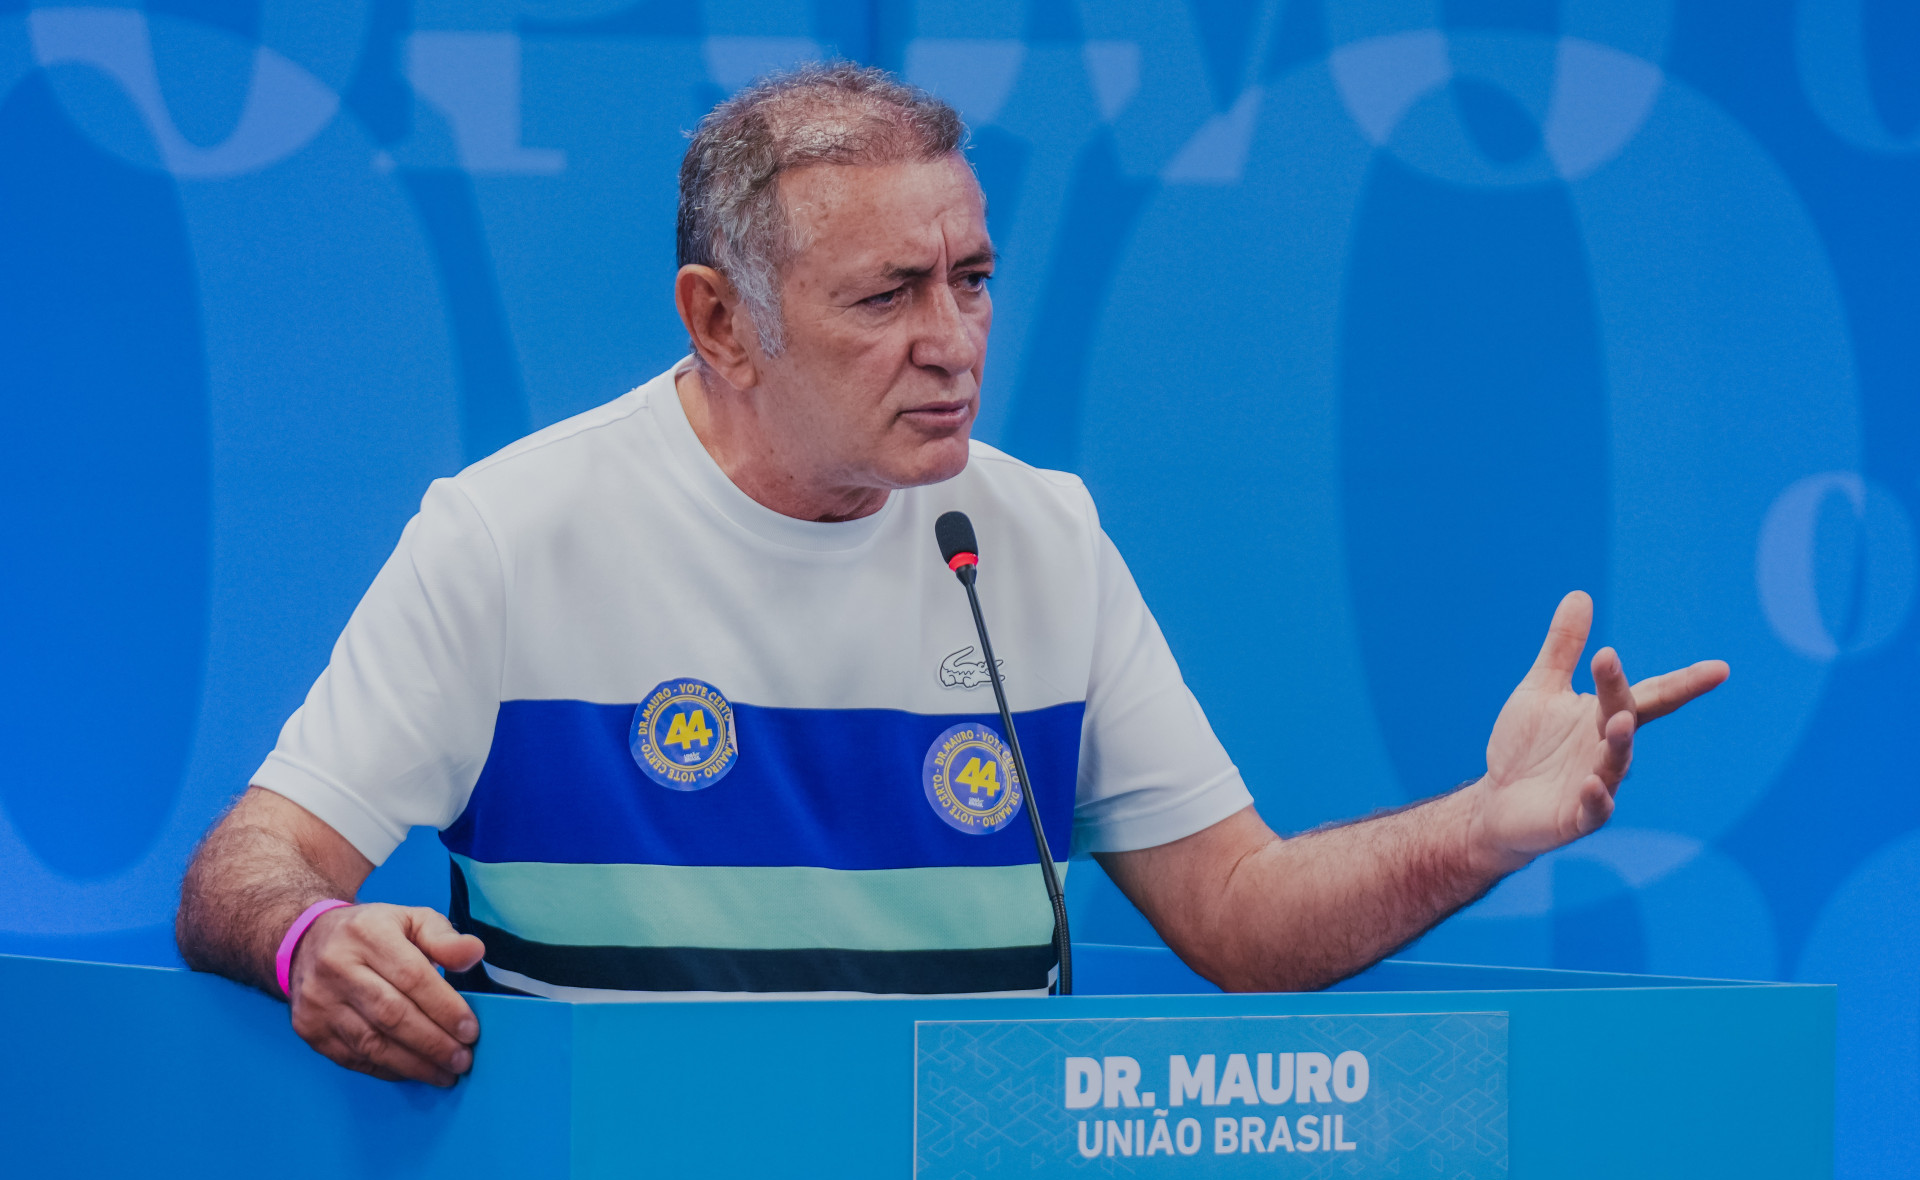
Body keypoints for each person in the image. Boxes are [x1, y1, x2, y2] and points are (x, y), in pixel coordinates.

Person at [176, 64, 1728, 1088]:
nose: (955, 341)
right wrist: (318, 941)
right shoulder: (511, 534)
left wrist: (1493, 824)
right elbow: (243, 871)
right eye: (889, 294)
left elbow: (1249, 922)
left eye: (973, 280)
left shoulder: (1036, 536)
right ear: (719, 321)